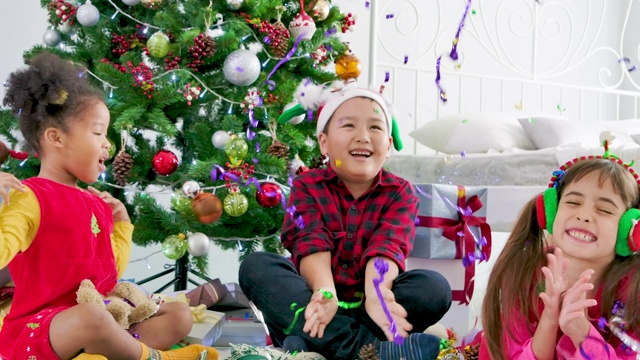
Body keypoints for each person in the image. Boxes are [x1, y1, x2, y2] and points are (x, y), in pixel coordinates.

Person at [0, 52, 218, 359]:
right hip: (46, 328)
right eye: (98, 132)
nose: (107, 144)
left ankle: (105, 353)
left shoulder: (95, 201)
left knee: (179, 315)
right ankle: (154, 357)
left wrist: (122, 226)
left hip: (99, 317)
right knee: (93, 318)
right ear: (55, 138)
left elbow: (108, 272)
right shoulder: (30, 196)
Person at [239, 82, 451, 360]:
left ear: (388, 146)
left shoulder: (401, 192)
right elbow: (310, 241)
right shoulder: (307, 186)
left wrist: (376, 295)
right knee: (257, 266)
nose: (363, 136)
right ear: (324, 142)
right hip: (314, 303)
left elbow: (388, 246)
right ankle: (368, 352)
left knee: (434, 287)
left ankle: (318, 346)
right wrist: (325, 293)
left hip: (373, 309)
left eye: (375, 127)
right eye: (348, 125)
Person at [481, 154, 640, 359]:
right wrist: (549, 319)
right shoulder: (523, 273)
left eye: (604, 209)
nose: (584, 215)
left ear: (631, 230)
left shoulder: (632, 291)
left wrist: (582, 333)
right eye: (573, 202)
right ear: (551, 212)